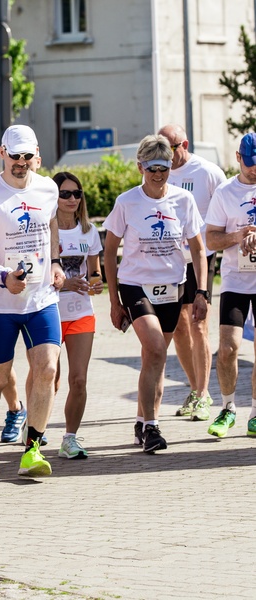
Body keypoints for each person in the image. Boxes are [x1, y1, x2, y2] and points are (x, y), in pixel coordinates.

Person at [103, 134, 208, 453]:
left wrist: (202, 290)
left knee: (154, 359)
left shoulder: (183, 200)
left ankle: (140, 420)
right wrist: (113, 301)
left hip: (173, 288)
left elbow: (198, 249)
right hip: (136, 286)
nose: (158, 174)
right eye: (152, 168)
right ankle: (152, 428)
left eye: (163, 168)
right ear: (140, 167)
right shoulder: (127, 202)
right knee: (157, 351)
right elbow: (109, 253)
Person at [0, 124, 65, 478]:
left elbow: (52, 225)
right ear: (2, 153)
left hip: (41, 297)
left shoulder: (48, 188)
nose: (21, 163)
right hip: (1, 303)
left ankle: (33, 448)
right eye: (15, 156)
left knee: (48, 368)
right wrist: (2, 277)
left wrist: (55, 262)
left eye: (27, 156)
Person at [157, 124, 225, 421]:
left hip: (200, 257)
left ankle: (204, 394)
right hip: (170, 260)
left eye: (169, 147)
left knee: (198, 324)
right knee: (180, 327)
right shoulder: (158, 170)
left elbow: (225, 211)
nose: (164, 155)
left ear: (183, 144)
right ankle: (197, 389)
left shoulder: (208, 172)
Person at [203, 133, 256, 438]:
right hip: (236, 280)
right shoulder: (225, 192)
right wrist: (237, 236)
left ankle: (255, 413)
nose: (254, 170)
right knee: (228, 348)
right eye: (250, 164)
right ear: (238, 158)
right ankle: (227, 408)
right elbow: (211, 238)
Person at [53, 171, 103, 459]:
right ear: (54, 198)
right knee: (49, 377)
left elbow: (95, 272)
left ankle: (69, 438)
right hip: (49, 312)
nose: (72, 199)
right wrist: (64, 283)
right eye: (65, 194)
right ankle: (34, 427)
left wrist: (95, 283)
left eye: (77, 193)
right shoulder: (48, 230)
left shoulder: (88, 231)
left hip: (82, 312)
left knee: (79, 380)